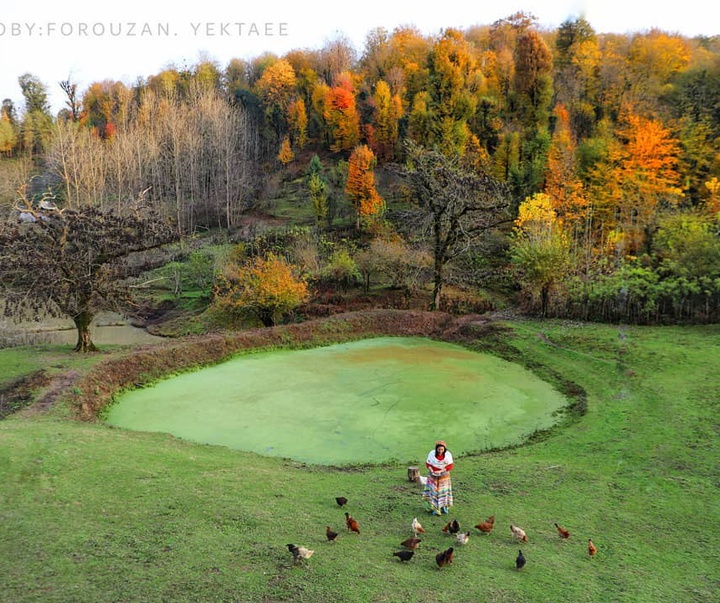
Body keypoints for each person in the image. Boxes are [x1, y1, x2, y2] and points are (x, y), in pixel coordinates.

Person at [422, 440, 454, 515]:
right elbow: (428, 464)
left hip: (444, 476)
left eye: (442, 449)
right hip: (433, 475)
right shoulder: (431, 454)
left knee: (443, 491)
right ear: (436, 449)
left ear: (444, 449)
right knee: (433, 491)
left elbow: (450, 465)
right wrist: (432, 470)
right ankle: (434, 508)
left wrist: (441, 471)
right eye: (439, 449)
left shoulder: (448, 455)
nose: (440, 451)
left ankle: (444, 507)